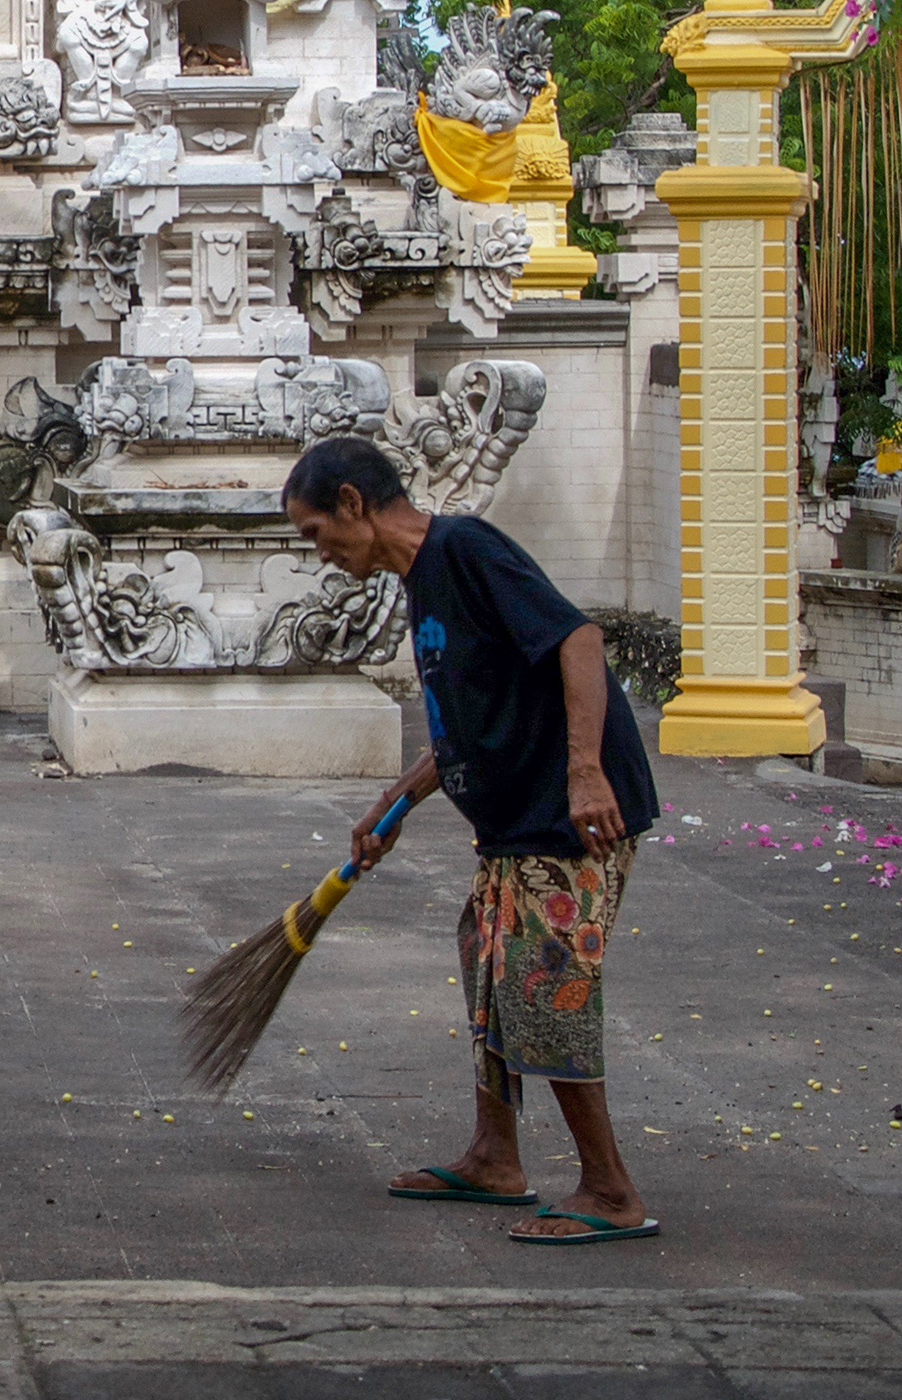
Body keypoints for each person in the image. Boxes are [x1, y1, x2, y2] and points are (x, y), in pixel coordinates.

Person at [281, 432, 663, 1245]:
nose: (322, 555)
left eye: (317, 533)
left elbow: (578, 640)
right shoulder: (421, 580)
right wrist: (400, 797)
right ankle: (496, 1158)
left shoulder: (463, 548)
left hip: (564, 817)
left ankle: (610, 1189)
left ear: (352, 503)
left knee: (543, 983)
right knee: (490, 968)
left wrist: (586, 770)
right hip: (510, 825)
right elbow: (469, 716)